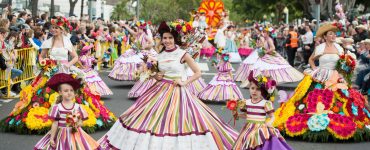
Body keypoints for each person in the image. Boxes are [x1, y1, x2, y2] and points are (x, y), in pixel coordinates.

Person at [98, 21, 238, 149]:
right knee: (149, 119)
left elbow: (197, 72)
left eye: (170, 38)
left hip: (178, 92)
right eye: (165, 38)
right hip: (158, 91)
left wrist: (184, 82)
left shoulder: (183, 54)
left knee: (179, 122)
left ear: (175, 39)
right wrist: (155, 76)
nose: (167, 41)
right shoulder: (160, 55)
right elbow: (156, 74)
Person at [1, 16, 115, 134]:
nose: (53, 29)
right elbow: (41, 55)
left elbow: (75, 57)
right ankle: (52, 117)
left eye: (56, 27)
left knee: (74, 93)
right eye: (52, 27)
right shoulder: (48, 42)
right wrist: (43, 62)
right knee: (43, 93)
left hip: (65, 71)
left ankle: (71, 117)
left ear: (61, 29)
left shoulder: (67, 41)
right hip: (50, 70)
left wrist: (68, 65)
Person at [273, 23, 370, 142]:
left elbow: (343, 62)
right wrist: (314, 69)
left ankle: (343, 123)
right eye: (331, 34)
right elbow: (311, 59)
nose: (333, 36)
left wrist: (345, 70)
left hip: (335, 76)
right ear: (325, 37)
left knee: (340, 98)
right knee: (315, 97)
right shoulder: (320, 48)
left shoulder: (339, 48)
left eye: (334, 34)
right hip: (321, 75)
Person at [34, 73, 100, 150]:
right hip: (61, 135)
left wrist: (78, 124)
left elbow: (81, 121)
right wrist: (52, 138)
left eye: (71, 90)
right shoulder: (57, 107)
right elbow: (55, 123)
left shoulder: (78, 107)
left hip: (75, 134)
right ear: (60, 92)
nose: (69, 93)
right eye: (66, 91)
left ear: (74, 92)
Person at [232, 72, 293, 150]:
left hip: (261, 127)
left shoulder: (265, 103)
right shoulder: (246, 102)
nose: (254, 91)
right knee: (245, 141)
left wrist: (270, 122)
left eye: (258, 89)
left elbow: (272, 116)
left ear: (262, 92)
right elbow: (247, 115)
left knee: (260, 142)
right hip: (248, 128)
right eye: (252, 88)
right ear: (249, 88)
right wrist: (237, 114)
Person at [234, 28, 303, 86]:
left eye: (265, 33)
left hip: (269, 55)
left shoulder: (269, 39)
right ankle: (258, 79)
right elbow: (264, 47)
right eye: (263, 32)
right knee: (258, 66)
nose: (263, 34)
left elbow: (273, 48)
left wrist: (265, 52)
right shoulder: (266, 39)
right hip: (264, 55)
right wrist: (261, 48)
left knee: (270, 66)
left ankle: (266, 79)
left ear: (268, 33)